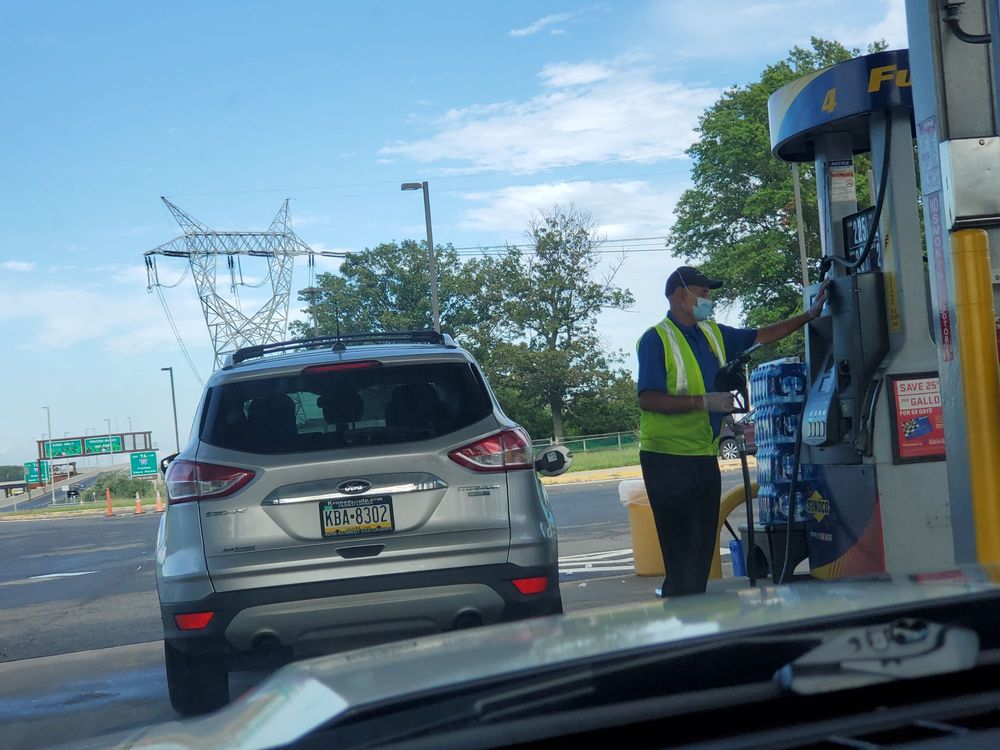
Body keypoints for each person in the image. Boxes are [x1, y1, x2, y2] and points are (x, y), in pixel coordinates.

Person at [636, 265, 828, 597]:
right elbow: (648, 399)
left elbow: (762, 335)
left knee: (701, 546)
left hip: (702, 454)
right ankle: (680, 610)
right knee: (681, 551)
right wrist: (703, 402)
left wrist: (809, 315)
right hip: (666, 458)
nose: (708, 300)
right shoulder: (657, 339)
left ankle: (694, 610)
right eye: (703, 293)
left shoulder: (712, 334)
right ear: (680, 295)